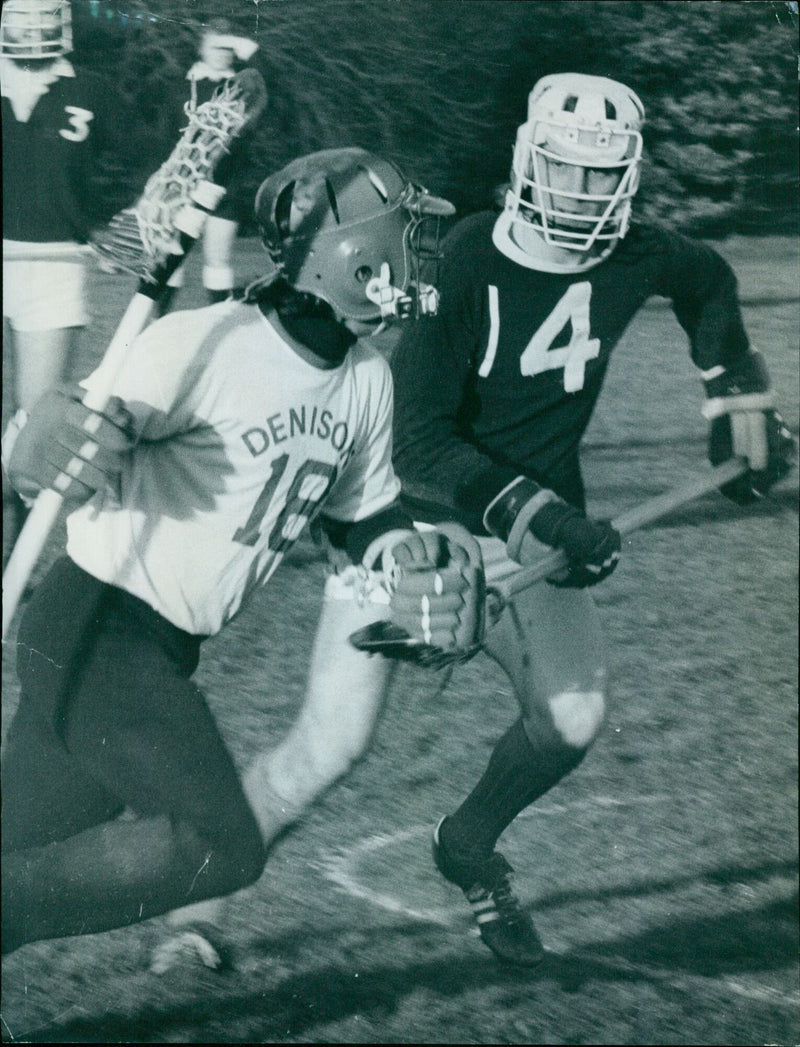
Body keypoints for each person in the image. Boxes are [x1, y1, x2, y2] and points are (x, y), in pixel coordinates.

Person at [1, 147, 476, 957]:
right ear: (352, 256)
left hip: (159, 647)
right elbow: (62, 445)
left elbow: (362, 513)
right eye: (401, 237)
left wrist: (406, 559)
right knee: (223, 843)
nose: (416, 255)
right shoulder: (205, 345)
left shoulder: (365, 378)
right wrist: (27, 442)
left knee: (14, 839)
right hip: (97, 626)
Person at [387, 72, 796, 966]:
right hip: (425, 521)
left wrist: (736, 399)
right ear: (529, 160)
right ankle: (195, 919)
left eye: (602, 177)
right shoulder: (466, 257)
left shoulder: (635, 251)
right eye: (565, 170)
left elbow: (708, 278)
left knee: (571, 721)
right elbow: (415, 441)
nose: (582, 193)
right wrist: (544, 518)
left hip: (539, 522)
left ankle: (466, 847)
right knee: (334, 736)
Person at [1, 0, 134, 561]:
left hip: (55, 272)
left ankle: (14, 568)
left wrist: (122, 229)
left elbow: (144, 162)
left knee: (36, 433)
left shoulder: (93, 91)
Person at [157, 17, 261, 313]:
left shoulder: (243, 88)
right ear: (201, 48)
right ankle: (160, 325)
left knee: (218, 261)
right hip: (181, 185)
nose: (222, 53)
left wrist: (252, 52)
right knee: (171, 258)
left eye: (228, 47)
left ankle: (217, 322)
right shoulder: (181, 87)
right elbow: (164, 139)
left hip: (225, 186)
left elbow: (269, 87)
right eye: (215, 46)